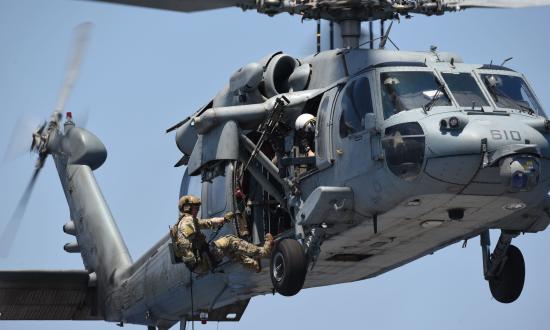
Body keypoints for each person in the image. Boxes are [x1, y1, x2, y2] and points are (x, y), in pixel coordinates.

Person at [170, 195, 273, 274]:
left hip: (198, 265)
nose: (197, 210)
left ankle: (254, 265)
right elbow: (187, 242)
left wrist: (224, 219)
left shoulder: (186, 221)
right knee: (230, 241)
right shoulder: (187, 221)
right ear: (187, 207)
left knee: (228, 250)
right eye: (195, 208)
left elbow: (207, 223)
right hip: (203, 260)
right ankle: (264, 252)